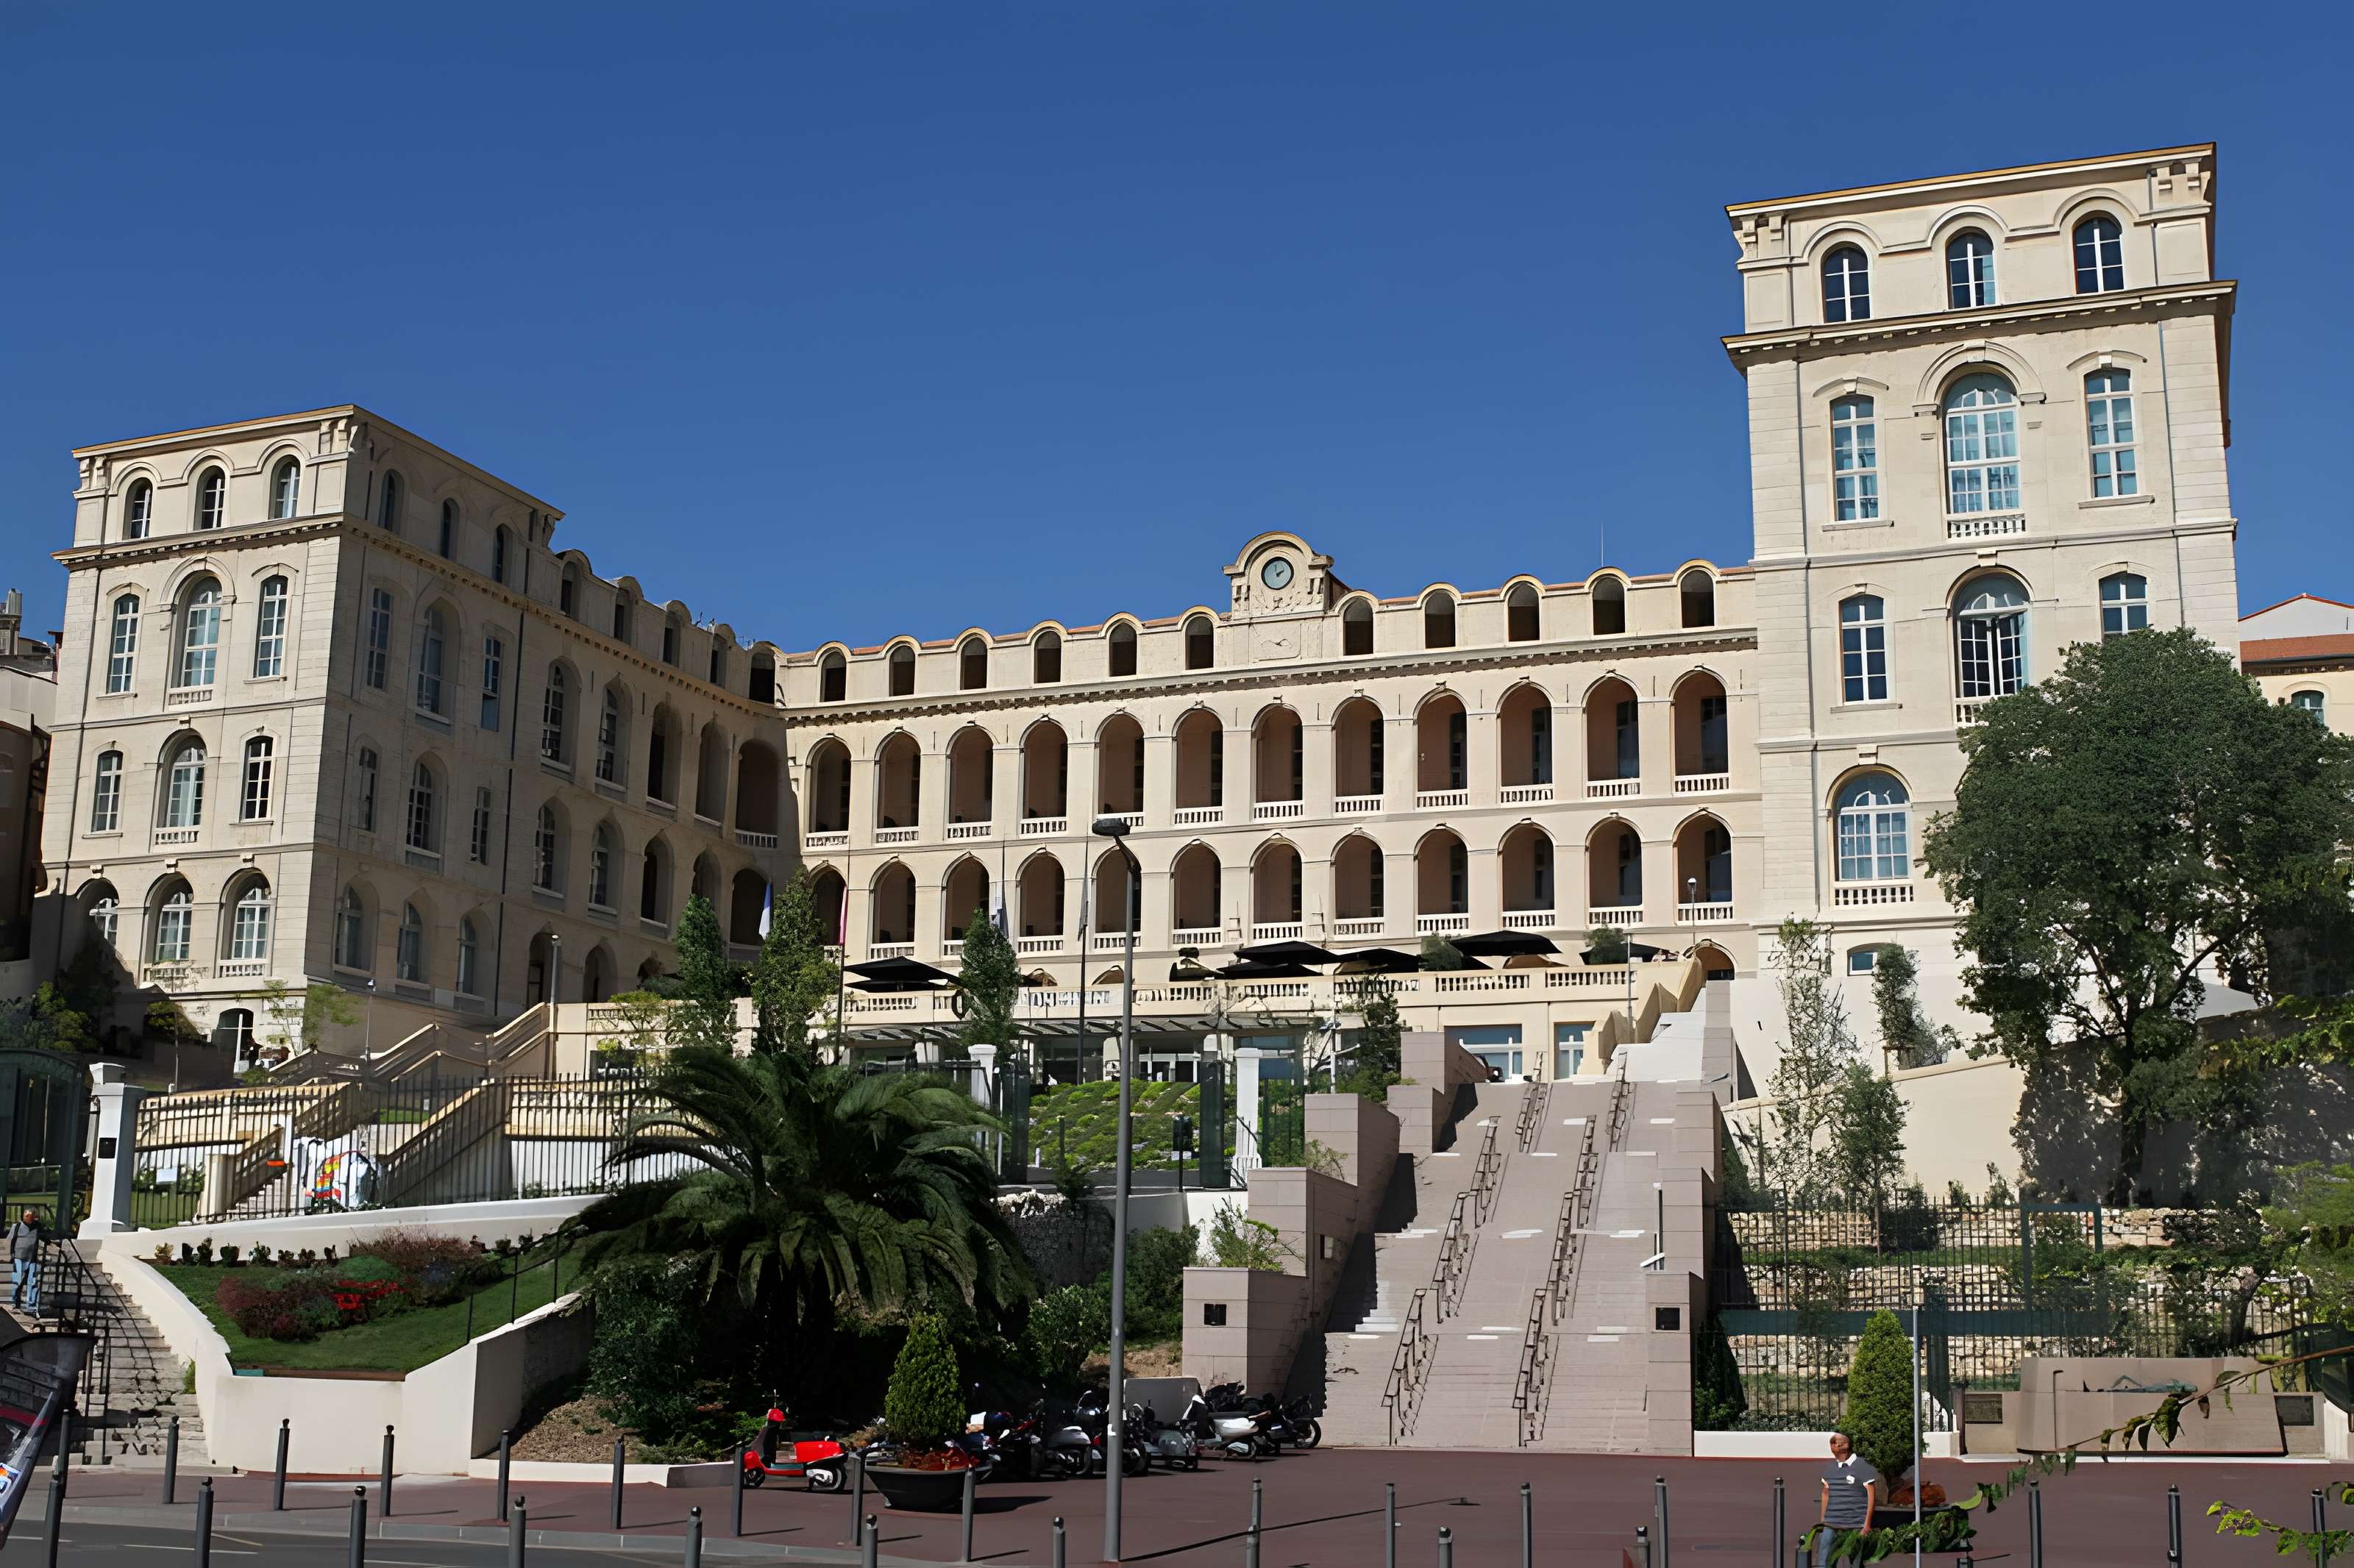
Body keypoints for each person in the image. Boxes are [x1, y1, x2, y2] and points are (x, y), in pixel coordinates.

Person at [1813, 1430, 1879, 1566]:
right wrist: (1823, 1521)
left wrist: (1866, 1525)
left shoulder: (1862, 1467)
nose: (1833, 1446)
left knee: (1855, 1563)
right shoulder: (1830, 1469)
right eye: (1832, 1443)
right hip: (1831, 1524)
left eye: (1835, 1443)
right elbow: (1825, 1493)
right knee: (1824, 1562)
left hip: (1855, 1525)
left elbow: (1871, 1495)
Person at [8, 1210, 41, 1316]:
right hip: (18, 1257)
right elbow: (10, 1241)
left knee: (32, 1282)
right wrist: (11, 1255)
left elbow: (44, 1238)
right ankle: (13, 1303)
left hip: (32, 1259)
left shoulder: (38, 1228)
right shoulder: (17, 1226)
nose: (29, 1219)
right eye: (27, 1216)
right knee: (17, 1281)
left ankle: (31, 1306)